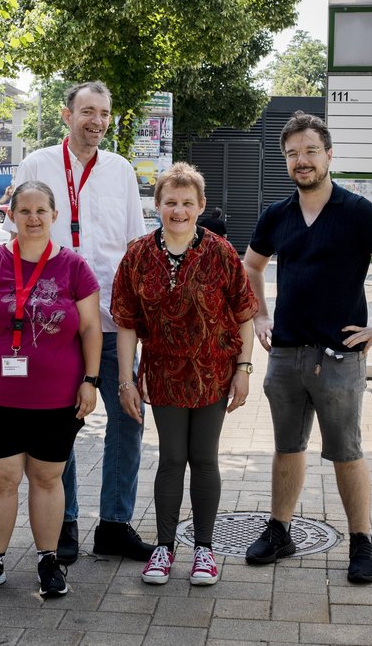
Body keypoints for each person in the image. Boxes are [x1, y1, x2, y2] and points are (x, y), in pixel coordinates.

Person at [242, 111, 372, 584]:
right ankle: (280, 531)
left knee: (345, 451)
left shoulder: (357, 212)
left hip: (339, 357)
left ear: (329, 155)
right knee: (287, 447)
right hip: (287, 353)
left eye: (311, 151)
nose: (302, 160)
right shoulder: (277, 214)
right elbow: (251, 266)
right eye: (293, 153)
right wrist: (260, 314)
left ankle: (362, 541)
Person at [5, 81, 153, 564]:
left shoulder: (121, 171)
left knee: (128, 418)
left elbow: (135, 248)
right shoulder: (36, 165)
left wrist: (141, 319)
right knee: (58, 424)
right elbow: (20, 238)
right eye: (87, 111)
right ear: (66, 115)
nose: (97, 120)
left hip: (113, 319)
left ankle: (114, 523)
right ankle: (63, 521)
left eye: (104, 113)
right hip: (55, 324)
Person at [0, 181, 102, 599]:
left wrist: (91, 381)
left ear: (55, 216)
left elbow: (91, 329)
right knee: (0, 481)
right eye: (24, 211)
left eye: (41, 211)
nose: (33, 218)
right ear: (11, 216)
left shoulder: (75, 267)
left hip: (56, 399)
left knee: (47, 478)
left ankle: (48, 560)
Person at [112, 163, 258, 587]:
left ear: (201, 206)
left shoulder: (220, 252)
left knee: (204, 459)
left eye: (187, 203)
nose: (179, 210)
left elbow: (245, 314)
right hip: (165, 375)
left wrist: (244, 370)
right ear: (157, 205)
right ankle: (164, 547)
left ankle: (206, 551)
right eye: (170, 202)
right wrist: (127, 379)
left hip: (214, 372)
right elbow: (126, 322)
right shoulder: (137, 255)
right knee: (172, 458)